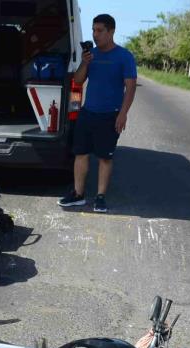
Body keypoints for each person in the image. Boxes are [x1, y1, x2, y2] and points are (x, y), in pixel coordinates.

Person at [58, 14, 137, 213]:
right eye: (93, 30)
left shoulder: (124, 56)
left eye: (100, 31)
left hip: (110, 115)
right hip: (88, 113)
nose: (95, 35)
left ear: (111, 31)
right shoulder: (91, 55)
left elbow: (131, 87)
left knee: (104, 157)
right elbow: (77, 80)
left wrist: (123, 114)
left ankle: (100, 197)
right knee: (80, 153)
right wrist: (85, 63)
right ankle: (78, 194)